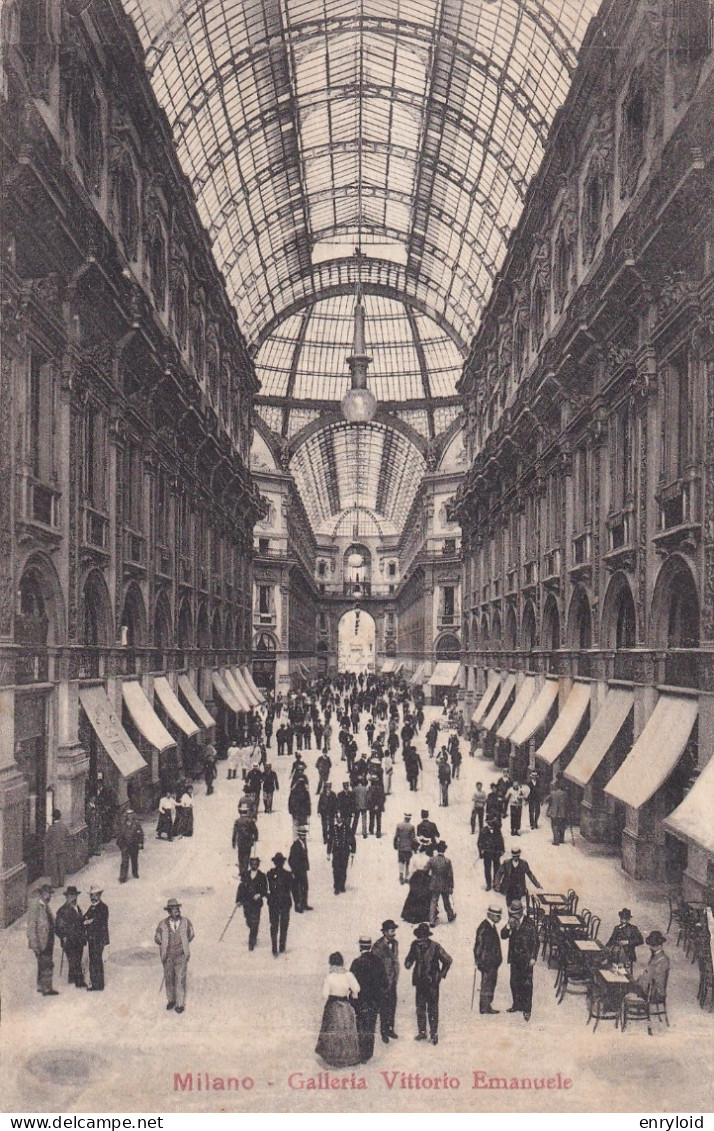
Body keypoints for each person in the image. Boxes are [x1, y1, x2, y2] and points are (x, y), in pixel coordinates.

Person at [404, 923, 452, 1045]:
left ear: (427, 936)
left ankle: (434, 1033)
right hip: (420, 982)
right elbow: (409, 960)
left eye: (423, 937)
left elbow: (448, 960)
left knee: (432, 1008)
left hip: (432, 983)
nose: (421, 939)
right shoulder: (414, 945)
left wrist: (441, 974)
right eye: (419, 937)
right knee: (420, 1008)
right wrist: (408, 962)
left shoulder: (435, 947)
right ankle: (422, 1031)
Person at [315, 952, 361, 1067]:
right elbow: (357, 988)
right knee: (347, 1030)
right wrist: (353, 995)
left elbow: (325, 994)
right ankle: (348, 1056)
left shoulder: (329, 976)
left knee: (332, 1031)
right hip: (345, 1004)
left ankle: (332, 1057)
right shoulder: (349, 975)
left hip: (333, 1005)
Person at [350, 937, 389, 1063]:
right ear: (370, 946)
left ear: (360, 947)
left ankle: (361, 1053)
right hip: (375, 1000)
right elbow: (385, 981)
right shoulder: (378, 961)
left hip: (361, 1000)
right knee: (371, 1025)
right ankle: (368, 1052)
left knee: (361, 1024)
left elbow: (352, 982)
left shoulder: (357, 962)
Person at [501, 899, 539, 1021]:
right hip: (514, 958)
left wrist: (533, 957)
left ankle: (527, 1009)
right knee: (514, 982)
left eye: (515, 913)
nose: (513, 916)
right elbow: (503, 936)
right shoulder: (511, 922)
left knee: (527, 984)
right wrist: (508, 927)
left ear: (521, 913)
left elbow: (536, 942)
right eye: (511, 913)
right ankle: (516, 1004)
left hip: (526, 959)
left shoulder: (530, 923)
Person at [155, 898, 194, 1014]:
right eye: (174, 909)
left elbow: (191, 935)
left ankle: (180, 1004)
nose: (177, 911)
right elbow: (157, 938)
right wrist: (162, 942)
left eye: (177, 909)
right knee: (169, 979)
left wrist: (184, 946)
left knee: (180, 979)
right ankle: (171, 1000)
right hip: (167, 957)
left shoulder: (186, 922)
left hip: (181, 956)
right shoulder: (162, 924)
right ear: (169, 912)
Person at [27, 882, 58, 995]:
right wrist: (35, 945)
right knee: (46, 963)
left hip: (48, 940)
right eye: (47, 893)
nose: (49, 896)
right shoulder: (36, 906)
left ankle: (40, 985)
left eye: (50, 894)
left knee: (42, 963)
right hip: (41, 942)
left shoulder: (45, 906)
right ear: (42, 893)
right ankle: (47, 988)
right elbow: (31, 927)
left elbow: (51, 921)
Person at [372, 920, 400, 1043]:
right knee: (383, 1007)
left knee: (392, 1004)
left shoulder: (395, 943)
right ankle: (384, 1032)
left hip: (393, 980)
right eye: (391, 930)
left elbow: (395, 960)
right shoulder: (378, 946)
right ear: (384, 932)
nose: (394, 933)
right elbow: (375, 965)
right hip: (383, 982)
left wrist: (395, 976)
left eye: (394, 930)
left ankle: (390, 1028)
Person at [473, 903, 503, 1014]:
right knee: (487, 985)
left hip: (492, 963)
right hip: (487, 963)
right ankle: (485, 1007)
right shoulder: (485, 927)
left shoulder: (490, 926)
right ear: (490, 915)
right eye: (497, 916)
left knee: (490, 984)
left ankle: (487, 1006)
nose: (499, 918)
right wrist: (479, 960)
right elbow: (479, 946)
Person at [55, 885, 86, 988]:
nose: (73, 898)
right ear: (66, 897)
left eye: (74, 895)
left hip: (79, 939)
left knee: (77, 959)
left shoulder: (77, 908)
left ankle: (71, 978)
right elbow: (58, 927)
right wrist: (63, 936)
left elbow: (80, 922)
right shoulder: (62, 910)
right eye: (70, 896)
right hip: (70, 940)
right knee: (75, 960)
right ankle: (79, 982)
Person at [236, 856, 268, 951]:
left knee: (255, 922)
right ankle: (253, 931)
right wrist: (238, 900)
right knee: (248, 920)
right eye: (252, 864)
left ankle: (251, 942)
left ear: (258, 864)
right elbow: (241, 888)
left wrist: (259, 894)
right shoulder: (245, 875)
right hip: (246, 902)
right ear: (250, 864)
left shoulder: (262, 876)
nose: (254, 865)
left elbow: (265, 889)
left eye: (256, 863)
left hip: (256, 903)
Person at [631, 931, 670, 1003]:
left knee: (625, 987)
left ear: (660, 946)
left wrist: (640, 983)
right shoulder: (656, 956)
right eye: (651, 945)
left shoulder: (663, 959)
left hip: (654, 993)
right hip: (648, 987)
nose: (650, 948)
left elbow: (657, 980)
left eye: (653, 946)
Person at [83, 885, 109, 991]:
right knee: (93, 960)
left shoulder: (103, 907)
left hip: (99, 939)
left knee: (97, 960)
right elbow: (85, 916)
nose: (92, 898)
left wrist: (89, 921)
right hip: (92, 939)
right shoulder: (92, 907)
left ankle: (98, 984)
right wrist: (84, 920)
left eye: (94, 895)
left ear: (99, 895)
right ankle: (94, 982)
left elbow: (100, 922)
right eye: (91, 896)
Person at [266, 852, 293, 956]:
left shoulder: (272, 874)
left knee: (278, 925)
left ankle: (279, 947)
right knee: (279, 925)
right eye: (278, 862)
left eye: (279, 862)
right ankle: (277, 947)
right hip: (277, 902)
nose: (278, 864)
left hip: (280, 902)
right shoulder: (271, 874)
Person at [426, 841, 456, 926]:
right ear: (444, 850)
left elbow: (426, 870)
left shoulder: (432, 860)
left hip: (434, 883)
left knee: (434, 901)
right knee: (446, 901)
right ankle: (450, 916)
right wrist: (451, 886)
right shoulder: (447, 861)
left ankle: (431, 920)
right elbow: (450, 875)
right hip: (444, 884)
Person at [606, 908, 645, 972]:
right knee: (607, 954)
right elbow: (611, 939)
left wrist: (627, 942)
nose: (623, 919)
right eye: (622, 917)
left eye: (625, 918)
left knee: (617, 956)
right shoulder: (617, 928)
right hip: (615, 950)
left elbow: (640, 940)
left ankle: (618, 969)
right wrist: (607, 947)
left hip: (627, 952)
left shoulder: (633, 928)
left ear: (628, 919)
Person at [327, 812, 356, 895]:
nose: (338, 819)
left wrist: (353, 851)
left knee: (343, 869)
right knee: (336, 869)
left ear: (342, 819)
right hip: (336, 851)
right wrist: (328, 853)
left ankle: (342, 885)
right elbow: (330, 841)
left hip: (345, 851)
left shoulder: (346, 827)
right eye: (337, 817)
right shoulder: (333, 828)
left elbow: (352, 840)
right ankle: (336, 886)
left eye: (340, 817)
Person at [401, 852, 431, 924]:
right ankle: (425, 915)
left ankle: (412, 915)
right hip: (425, 877)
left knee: (414, 894)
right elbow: (430, 870)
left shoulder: (414, 857)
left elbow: (411, 869)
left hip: (416, 877)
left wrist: (408, 878)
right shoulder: (428, 858)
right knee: (425, 895)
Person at [44, 809, 71, 889]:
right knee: (62, 866)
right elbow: (68, 836)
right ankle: (61, 882)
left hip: (53, 850)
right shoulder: (64, 826)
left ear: (53, 818)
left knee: (54, 867)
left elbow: (46, 839)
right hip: (62, 849)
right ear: (60, 817)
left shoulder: (51, 828)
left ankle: (55, 884)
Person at [116, 808, 144, 882]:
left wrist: (141, 843)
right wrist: (121, 845)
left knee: (134, 860)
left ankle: (135, 873)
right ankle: (122, 877)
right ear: (126, 816)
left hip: (134, 845)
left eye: (131, 815)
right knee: (124, 861)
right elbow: (120, 834)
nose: (130, 816)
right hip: (125, 845)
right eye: (128, 815)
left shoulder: (137, 824)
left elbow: (140, 834)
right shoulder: (123, 824)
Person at [288, 825, 312, 912]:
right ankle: (297, 906)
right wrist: (294, 871)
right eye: (302, 835)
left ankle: (304, 904)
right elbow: (290, 859)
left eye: (304, 835)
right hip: (297, 870)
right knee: (297, 888)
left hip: (303, 870)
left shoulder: (303, 844)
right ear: (299, 835)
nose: (304, 836)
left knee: (305, 887)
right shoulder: (295, 845)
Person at [477, 818, 505, 891]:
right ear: (487, 822)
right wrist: (481, 851)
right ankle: (488, 884)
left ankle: (495, 883)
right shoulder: (483, 830)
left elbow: (501, 840)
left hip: (496, 853)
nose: (491, 824)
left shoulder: (497, 830)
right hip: (487, 854)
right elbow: (479, 842)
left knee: (497, 868)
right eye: (490, 822)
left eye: (492, 822)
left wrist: (502, 849)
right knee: (487, 869)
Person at [232, 804, 259, 876]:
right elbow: (255, 830)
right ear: (247, 812)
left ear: (240, 812)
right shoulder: (250, 821)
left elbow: (234, 832)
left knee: (240, 856)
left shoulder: (237, 821)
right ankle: (245, 871)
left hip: (240, 842)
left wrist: (233, 842)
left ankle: (241, 871)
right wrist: (255, 838)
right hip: (248, 842)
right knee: (246, 857)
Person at [394, 812, 418, 884]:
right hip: (409, 848)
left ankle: (401, 875)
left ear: (404, 818)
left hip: (401, 847)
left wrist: (395, 845)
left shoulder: (399, 825)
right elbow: (413, 838)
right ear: (409, 818)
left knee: (401, 861)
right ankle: (407, 877)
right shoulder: (411, 827)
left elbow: (396, 836)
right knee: (408, 862)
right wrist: (415, 848)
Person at [546, 772, 569, 845]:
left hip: (554, 812)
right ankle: (561, 839)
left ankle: (556, 840)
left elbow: (547, 799)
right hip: (563, 812)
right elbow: (568, 802)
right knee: (562, 825)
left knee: (554, 825)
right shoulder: (565, 794)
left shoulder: (553, 793)